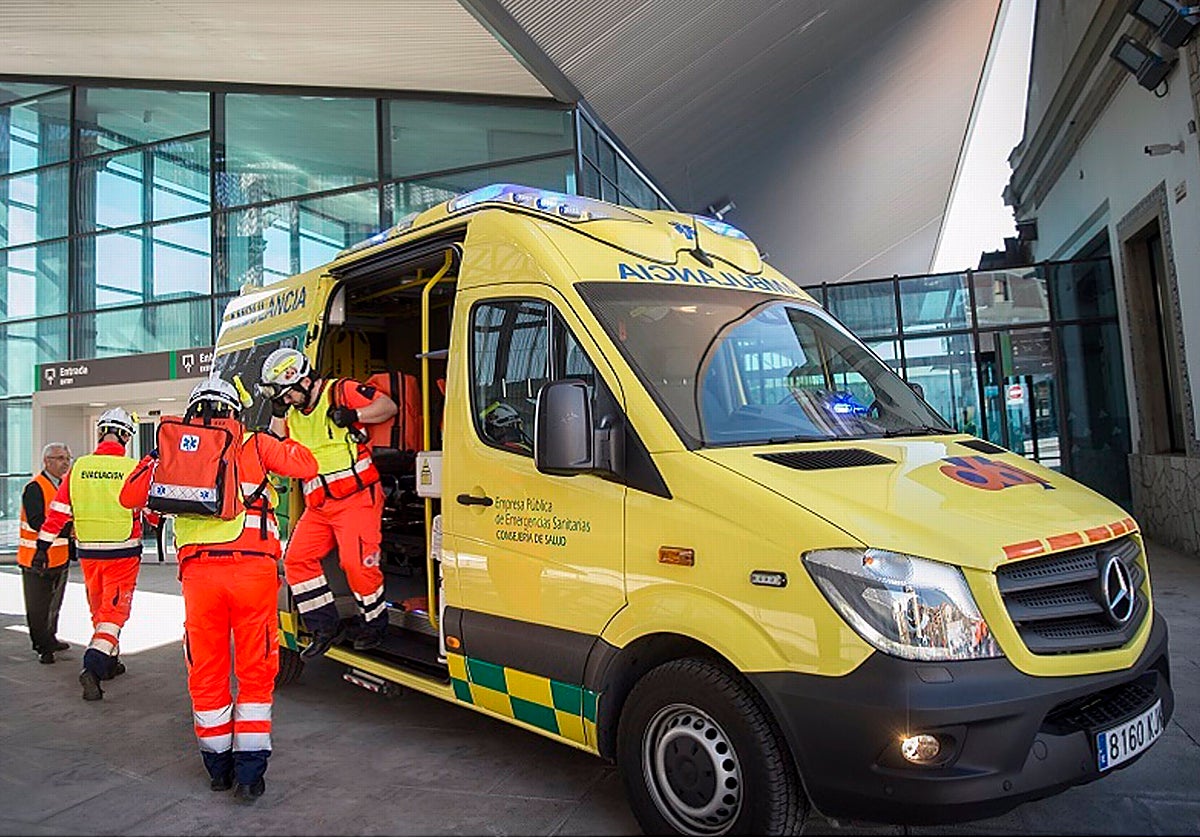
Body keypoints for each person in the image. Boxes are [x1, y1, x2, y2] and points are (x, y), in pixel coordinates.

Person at [121, 376, 318, 803]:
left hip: (199, 579)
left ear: (193, 412)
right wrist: (277, 434)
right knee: (255, 672)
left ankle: (217, 769)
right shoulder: (254, 444)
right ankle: (250, 774)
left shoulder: (171, 451)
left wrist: (158, 454)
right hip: (253, 576)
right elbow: (307, 466)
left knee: (207, 672)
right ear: (235, 411)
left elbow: (129, 497)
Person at [258, 348, 397, 658]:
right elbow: (276, 448)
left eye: (288, 395)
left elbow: (388, 406)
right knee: (295, 559)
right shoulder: (292, 413)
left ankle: (375, 624)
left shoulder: (340, 391)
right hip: (320, 505)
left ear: (304, 381)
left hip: (357, 499)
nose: (288, 401)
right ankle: (325, 626)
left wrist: (354, 415)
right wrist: (278, 412)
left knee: (356, 564)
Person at [35, 408, 147, 701]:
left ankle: (110, 661)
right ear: (125, 436)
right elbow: (150, 509)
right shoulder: (132, 468)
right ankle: (93, 667)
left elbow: (58, 512)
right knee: (114, 613)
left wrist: (42, 547)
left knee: (99, 608)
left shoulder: (79, 467)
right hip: (122, 551)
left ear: (100, 433)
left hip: (88, 552)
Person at [18, 443, 76, 664]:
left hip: (58, 558)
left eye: (67, 458)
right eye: (60, 458)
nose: (65, 463)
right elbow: (36, 522)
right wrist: (67, 531)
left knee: (54, 604)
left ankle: (50, 638)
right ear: (47, 462)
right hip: (36, 559)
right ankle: (42, 646)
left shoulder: (63, 487)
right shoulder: (35, 487)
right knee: (38, 606)